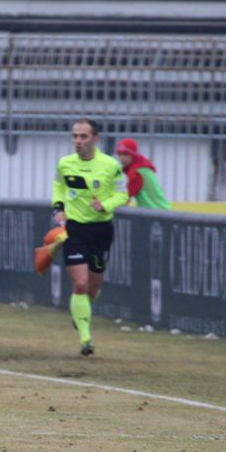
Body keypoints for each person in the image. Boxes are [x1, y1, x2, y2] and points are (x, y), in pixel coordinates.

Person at [51, 118, 129, 356]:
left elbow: (123, 195)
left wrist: (104, 205)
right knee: (80, 284)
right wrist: (58, 208)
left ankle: (81, 312)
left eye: (83, 136)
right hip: (74, 229)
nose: (78, 141)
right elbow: (59, 187)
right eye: (75, 136)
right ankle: (85, 338)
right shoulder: (65, 164)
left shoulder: (110, 165)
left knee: (92, 290)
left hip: (101, 230)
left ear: (95, 139)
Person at [115, 138, 172, 210]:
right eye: (119, 154)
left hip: (153, 211)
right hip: (160, 209)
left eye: (125, 154)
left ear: (133, 155)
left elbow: (126, 195)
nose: (121, 158)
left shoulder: (136, 172)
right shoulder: (143, 167)